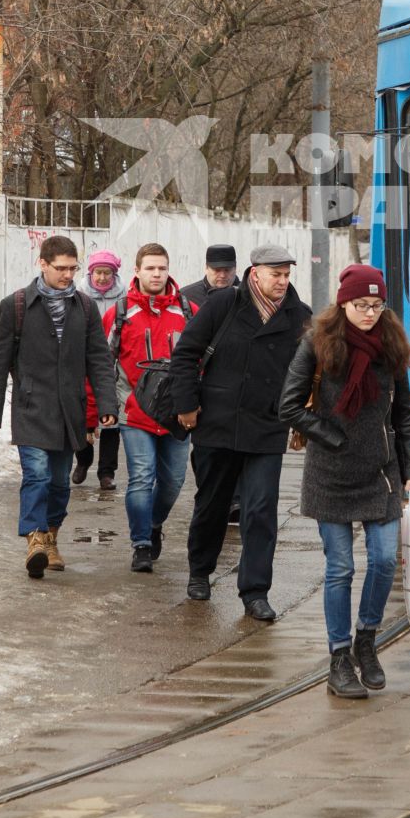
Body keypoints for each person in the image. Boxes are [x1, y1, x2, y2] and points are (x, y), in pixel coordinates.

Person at [279, 264, 410, 700]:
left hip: (380, 473)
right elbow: (288, 407)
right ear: (344, 302)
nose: (370, 313)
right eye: (362, 305)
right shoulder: (317, 344)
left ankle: (367, 639)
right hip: (331, 473)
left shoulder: (392, 344)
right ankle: (339, 657)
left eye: (377, 306)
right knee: (340, 568)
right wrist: (331, 436)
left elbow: (403, 415)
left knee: (381, 561)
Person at [165, 244, 311, 621]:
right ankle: (200, 571)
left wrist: (303, 417)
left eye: (286, 274)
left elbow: (312, 372)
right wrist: (186, 405)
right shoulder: (223, 305)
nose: (282, 281)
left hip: (266, 426)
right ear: (255, 273)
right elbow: (185, 355)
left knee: (260, 510)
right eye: (275, 274)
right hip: (216, 422)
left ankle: (255, 591)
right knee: (212, 503)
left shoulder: (300, 317)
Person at [0, 235, 118, 579]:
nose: (68, 275)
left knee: (59, 482)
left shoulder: (85, 307)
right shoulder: (15, 306)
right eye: (61, 268)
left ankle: (51, 538)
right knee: (37, 474)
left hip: (69, 410)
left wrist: (106, 403)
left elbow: (99, 360)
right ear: (42, 264)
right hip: (30, 407)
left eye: (73, 268)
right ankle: (34, 540)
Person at [116, 242, 191, 573]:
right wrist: (110, 404)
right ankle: (141, 544)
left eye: (162, 268)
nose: (157, 274)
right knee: (141, 477)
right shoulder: (121, 311)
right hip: (136, 413)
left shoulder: (187, 311)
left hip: (178, 413)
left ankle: (153, 522)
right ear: (137, 271)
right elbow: (103, 362)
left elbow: (202, 359)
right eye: (150, 268)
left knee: (173, 481)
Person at [74, 250, 126, 489]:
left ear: (114, 274)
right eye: (98, 272)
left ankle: (107, 472)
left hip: (115, 363)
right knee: (85, 415)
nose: (102, 277)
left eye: (107, 273)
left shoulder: (124, 297)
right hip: (85, 360)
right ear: (90, 273)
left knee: (111, 420)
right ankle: (83, 460)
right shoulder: (78, 295)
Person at [178, 244, 238, 316]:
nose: (222, 275)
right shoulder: (186, 296)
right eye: (217, 270)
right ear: (206, 268)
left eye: (227, 270)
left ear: (235, 268)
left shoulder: (248, 295)